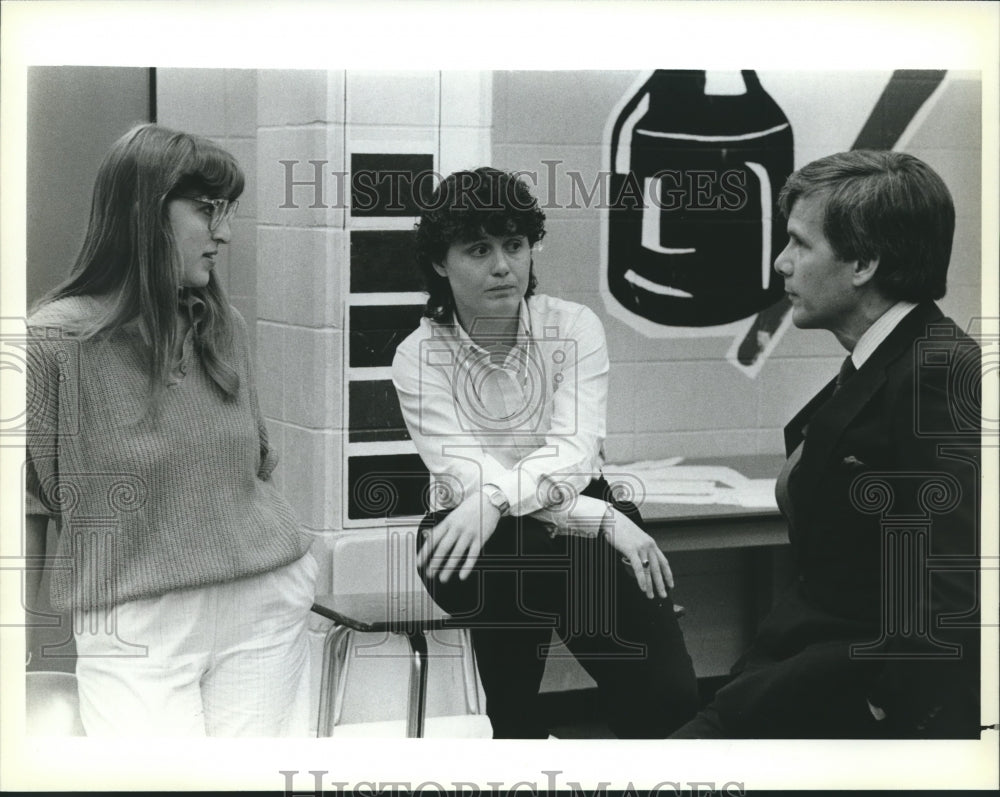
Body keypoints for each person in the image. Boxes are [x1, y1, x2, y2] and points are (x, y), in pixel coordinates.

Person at [671, 150, 981, 738]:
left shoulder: (939, 374)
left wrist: (882, 708)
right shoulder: (882, 362)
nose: (780, 264)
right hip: (803, 656)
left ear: (863, 261)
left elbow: (956, 588)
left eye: (798, 244)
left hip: (853, 684)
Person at [24, 123, 317, 737]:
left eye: (226, 211)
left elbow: (254, 464)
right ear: (145, 213)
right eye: (207, 210)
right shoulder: (52, 341)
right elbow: (27, 506)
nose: (225, 233)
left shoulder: (221, 323)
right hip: (136, 620)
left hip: (263, 597)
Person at [391, 167, 698, 738]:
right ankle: (520, 738)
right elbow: (464, 476)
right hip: (472, 537)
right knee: (517, 560)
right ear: (440, 262)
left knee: (669, 699)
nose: (503, 265)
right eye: (478, 249)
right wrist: (601, 519)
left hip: (538, 517)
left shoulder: (574, 327)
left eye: (514, 245)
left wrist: (499, 500)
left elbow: (574, 453)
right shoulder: (418, 355)